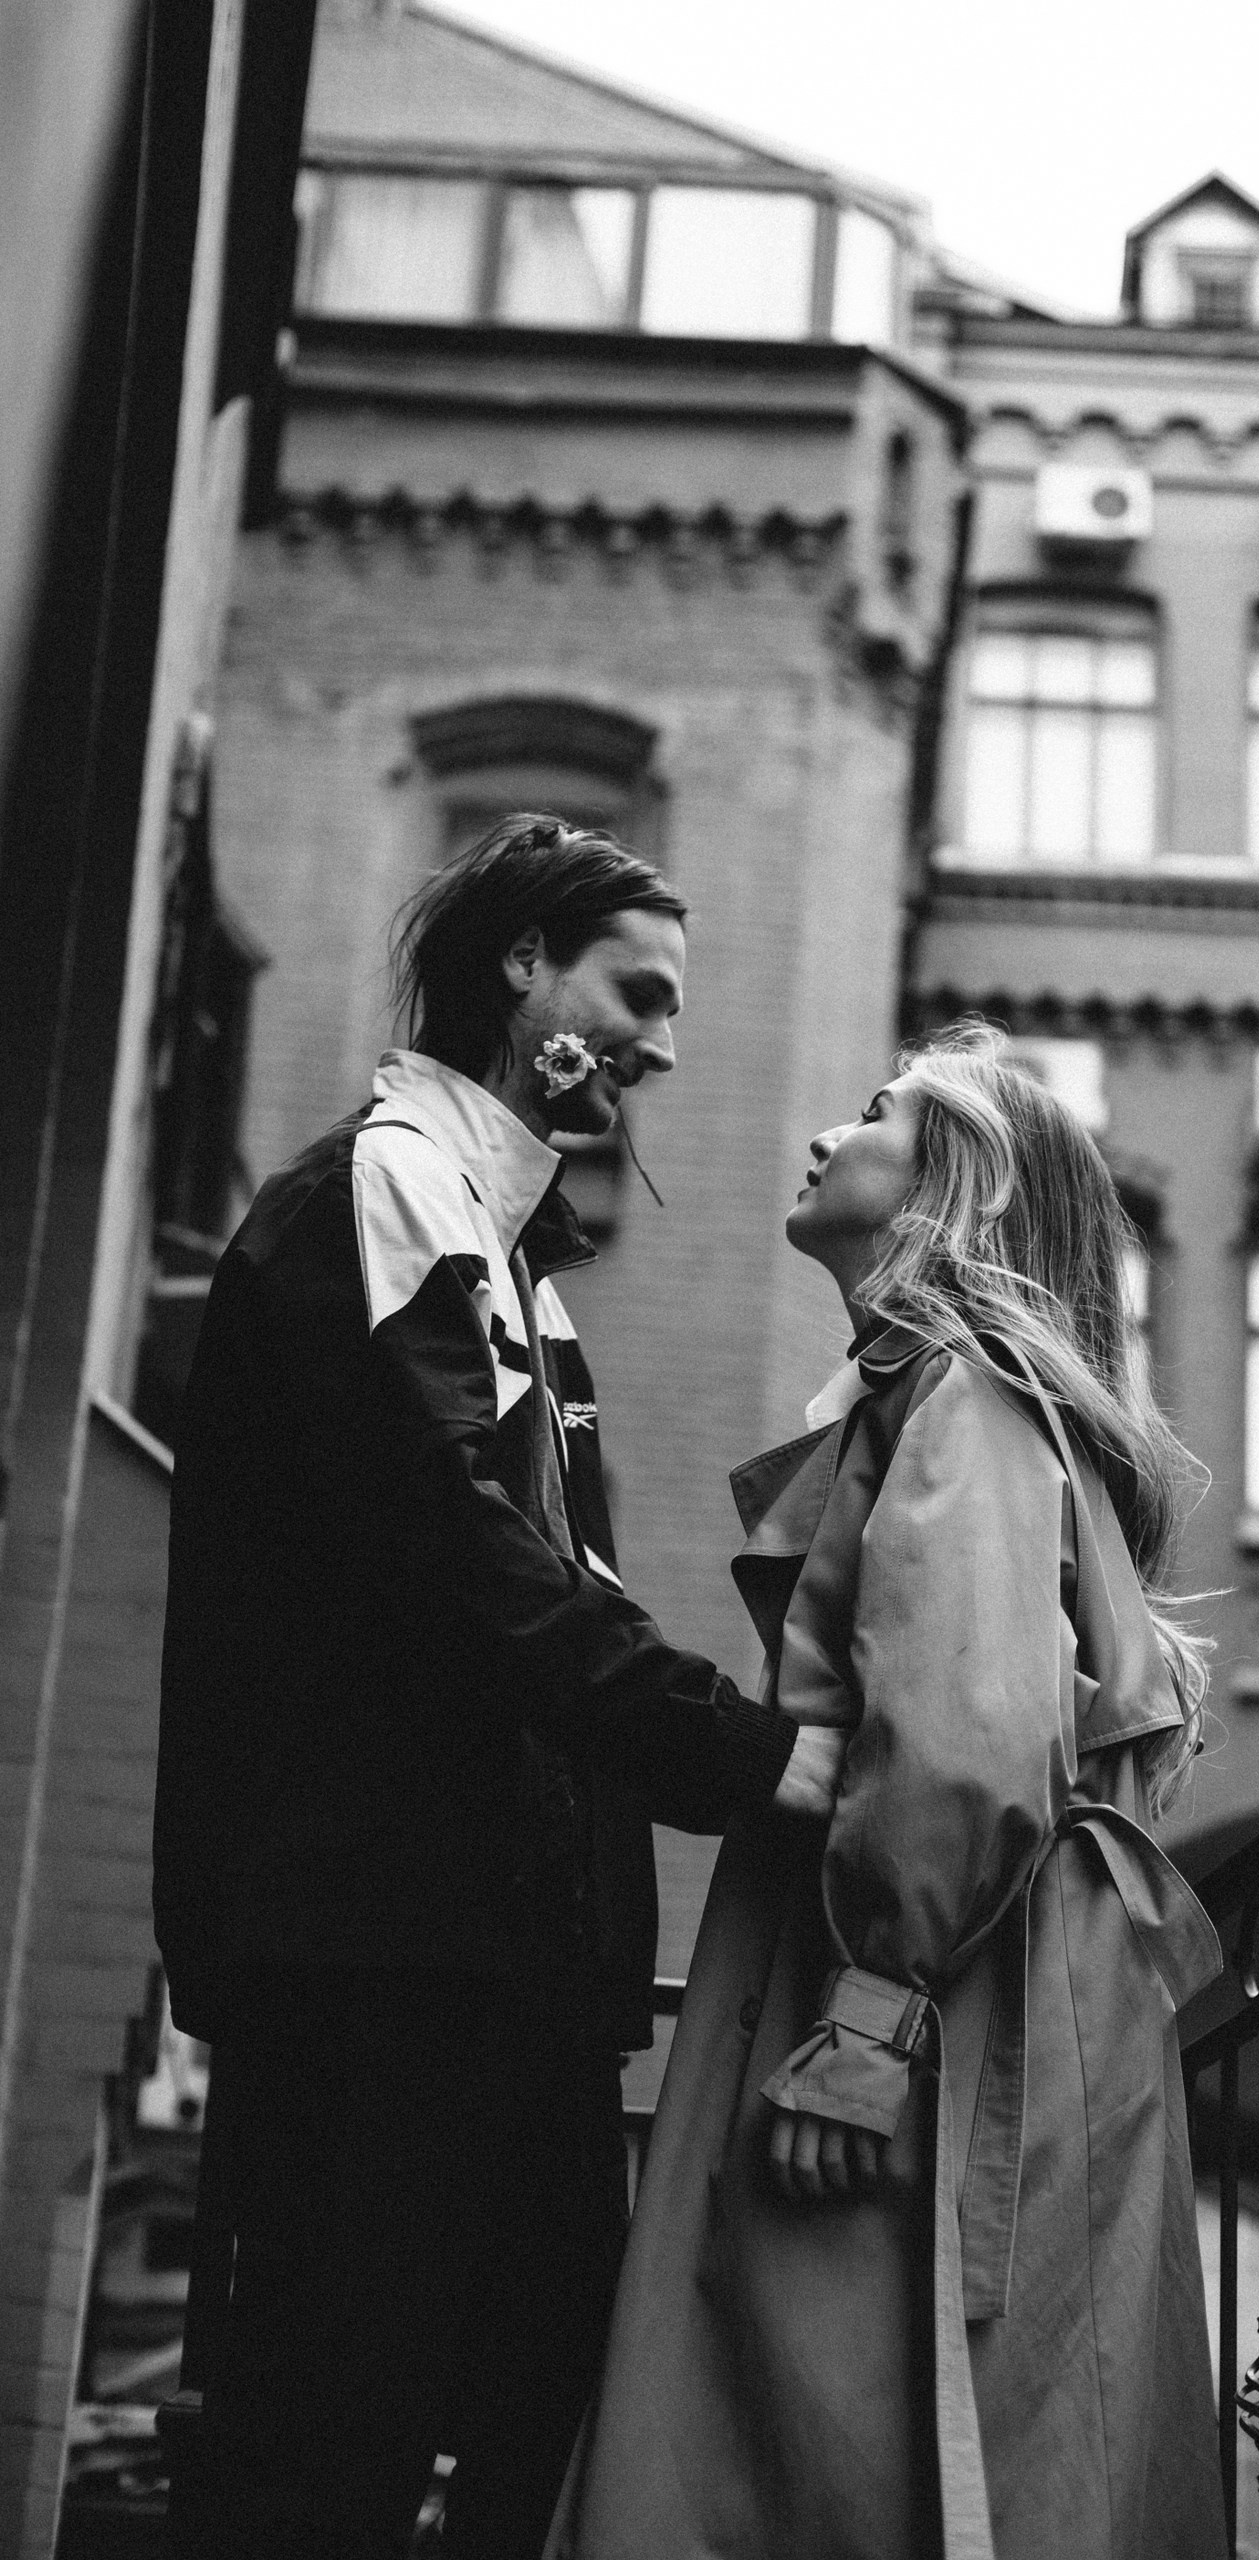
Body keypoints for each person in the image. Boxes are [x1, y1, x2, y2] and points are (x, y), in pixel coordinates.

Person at [152, 816, 843, 2560]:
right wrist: (740, 1754)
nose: (663, 1047)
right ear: (521, 961)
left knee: (538, 2432)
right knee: (329, 2454)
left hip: (502, 1970)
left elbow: (545, 1582)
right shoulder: (384, 1194)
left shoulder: (508, 1252)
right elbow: (453, 1552)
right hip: (383, 1962)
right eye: (639, 992)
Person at [553, 1021, 1229, 2560]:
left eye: (875, 1114)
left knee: (840, 2450)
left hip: (928, 2006)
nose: (821, 1136)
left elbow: (969, 1729)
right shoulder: (954, 1398)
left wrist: (868, 2014)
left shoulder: (963, 1398)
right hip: (959, 1987)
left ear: (957, 1192)